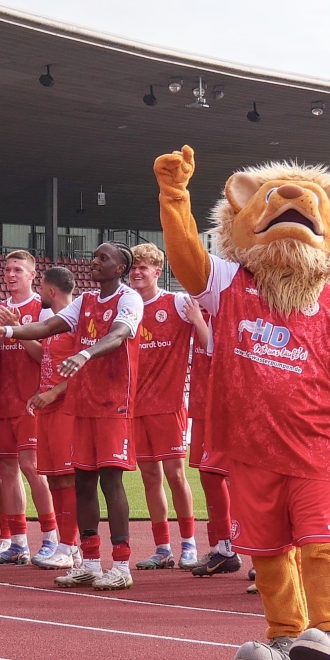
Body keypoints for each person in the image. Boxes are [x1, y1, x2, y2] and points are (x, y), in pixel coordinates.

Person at [155, 148, 330, 660]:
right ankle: (284, 636)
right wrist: (174, 198)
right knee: (266, 552)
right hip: (250, 452)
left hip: (313, 450)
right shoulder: (229, 282)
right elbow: (187, 258)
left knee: (321, 544)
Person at [0, 241, 142, 590]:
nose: (94, 261)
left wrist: (85, 354)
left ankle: (121, 565)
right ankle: (90, 562)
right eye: (94, 256)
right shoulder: (85, 301)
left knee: (111, 480)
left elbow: (118, 335)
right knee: (83, 481)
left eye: (103, 258)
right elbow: (48, 327)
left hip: (113, 403)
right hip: (83, 403)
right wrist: (7, 330)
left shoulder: (129, 299)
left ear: (120, 269)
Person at [127, 243, 197, 571]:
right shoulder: (126, 307)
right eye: (133, 267)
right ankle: (162, 547)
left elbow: (208, 330)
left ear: (157, 272)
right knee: (150, 476)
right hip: (135, 407)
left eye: (143, 267)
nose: (137, 272)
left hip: (168, 406)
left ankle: (189, 544)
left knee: (176, 475)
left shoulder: (177, 303)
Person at [0, 249, 56, 565]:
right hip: (2, 401)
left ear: (32, 275)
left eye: (18, 269)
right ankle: (18, 542)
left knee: (32, 466)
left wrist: (16, 329)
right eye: (8, 269)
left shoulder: (42, 309)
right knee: (7, 471)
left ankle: (51, 538)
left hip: (31, 401)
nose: (11, 274)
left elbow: (46, 356)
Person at [22, 266, 83, 569]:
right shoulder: (52, 323)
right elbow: (49, 363)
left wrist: (53, 393)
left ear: (51, 290)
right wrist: (40, 393)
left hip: (66, 410)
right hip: (48, 408)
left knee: (67, 477)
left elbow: (85, 370)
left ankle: (69, 545)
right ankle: (67, 545)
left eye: (41, 286)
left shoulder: (76, 323)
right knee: (56, 478)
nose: (39, 291)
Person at [183, 288, 239, 578]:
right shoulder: (199, 308)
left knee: (223, 477)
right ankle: (221, 546)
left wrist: (197, 320)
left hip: (225, 407)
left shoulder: (225, 308)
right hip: (205, 405)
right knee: (210, 476)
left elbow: (218, 351)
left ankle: (234, 548)